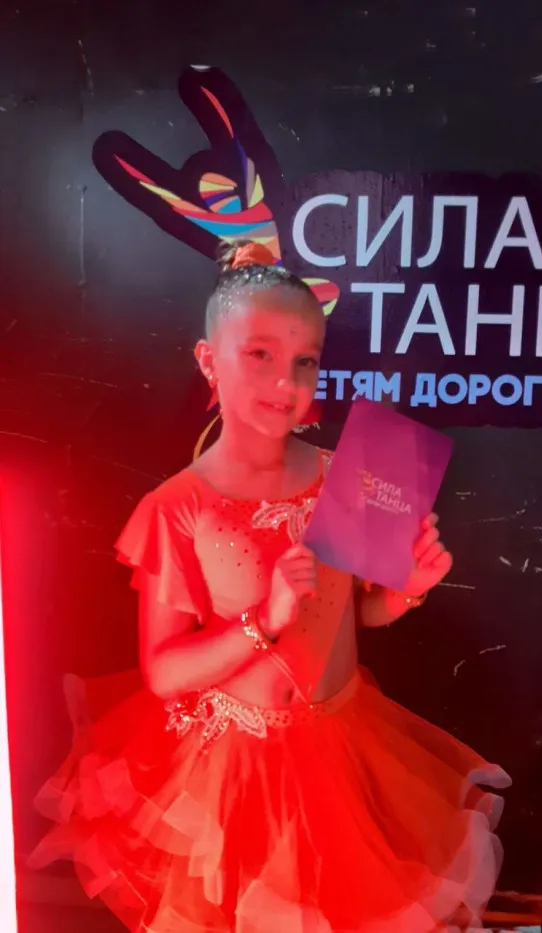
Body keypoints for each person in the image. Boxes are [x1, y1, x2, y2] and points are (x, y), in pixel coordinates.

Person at [28, 242, 510, 933]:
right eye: (259, 354)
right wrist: (264, 618)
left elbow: (356, 614)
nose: (285, 380)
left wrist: (408, 589)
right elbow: (163, 671)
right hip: (231, 773)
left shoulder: (350, 473)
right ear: (208, 361)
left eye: (304, 361)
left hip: (340, 750)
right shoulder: (178, 507)